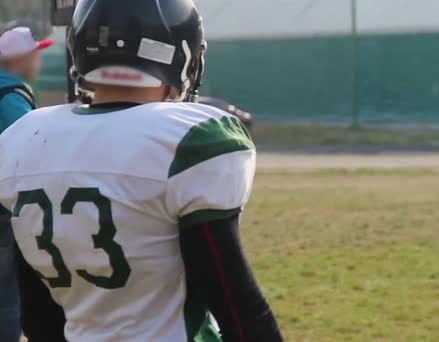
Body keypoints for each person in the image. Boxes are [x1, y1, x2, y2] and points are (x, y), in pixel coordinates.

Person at [0, 0, 283, 341]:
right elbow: (234, 301)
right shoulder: (189, 140)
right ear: (181, 55)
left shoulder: (22, 137)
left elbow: (38, 315)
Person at [0, 26, 54, 342]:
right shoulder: (12, 96)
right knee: (7, 295)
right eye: (36, 53)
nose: (39, 61)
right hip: (3, 209)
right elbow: (29, 153)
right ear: (20, 58)